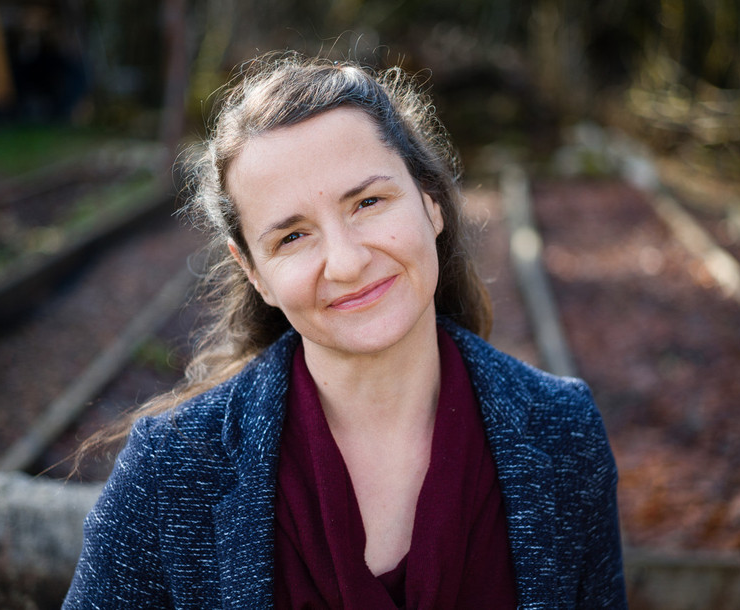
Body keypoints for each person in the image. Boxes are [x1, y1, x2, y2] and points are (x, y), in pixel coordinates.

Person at [63, 53, 627, 609]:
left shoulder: (563, 433)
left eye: (369, 202)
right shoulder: (169, 474)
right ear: (254, 274)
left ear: (431, 205)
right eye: (292, 237)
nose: (347, 262)